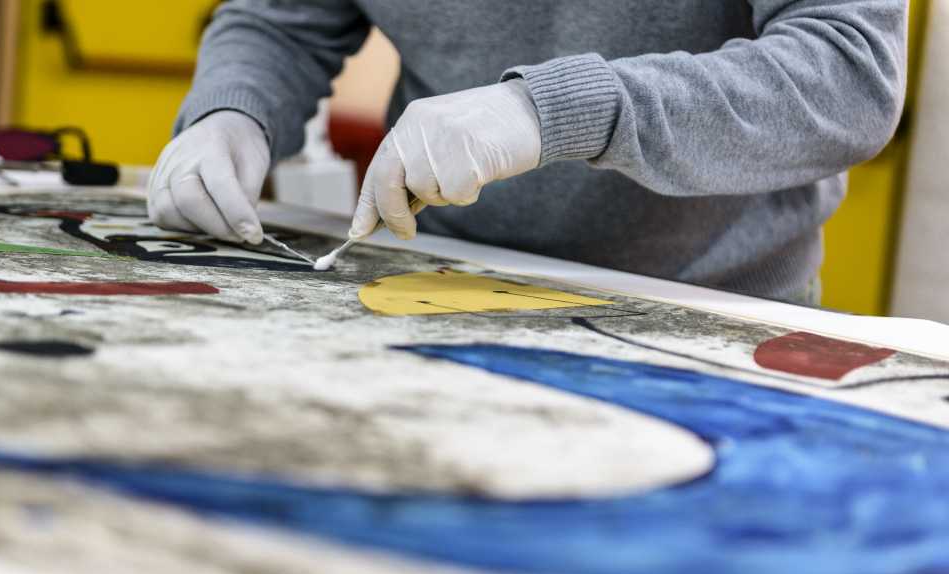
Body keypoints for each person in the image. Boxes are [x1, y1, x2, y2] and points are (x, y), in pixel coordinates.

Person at [148, 0, 906, 304]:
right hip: (433, 293)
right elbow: (280, 21)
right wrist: (228, 113)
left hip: (704, 318)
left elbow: (847, 74)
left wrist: (556, 112)